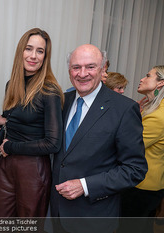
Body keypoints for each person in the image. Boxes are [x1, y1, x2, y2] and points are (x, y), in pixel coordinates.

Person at [50, 44, 147, 233]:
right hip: (57, 213)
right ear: (69, 71)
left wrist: (85, 185)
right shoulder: (62, 101)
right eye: (76, 67)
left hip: (93, 216)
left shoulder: (124, 109)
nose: (82, 73)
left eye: (90, 67)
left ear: (103, 70)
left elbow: (135, 169)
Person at [0, 28, 64, 218]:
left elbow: (53, 143)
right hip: (6, 165)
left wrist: (12, 146)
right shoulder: (12, 84)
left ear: (45, 57)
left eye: (40, 51)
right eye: (29, 49)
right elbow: (12, 125)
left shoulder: (50, 91)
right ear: (20, 51)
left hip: (32, 170)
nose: (33, 56)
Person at [119, 65, 164, 233]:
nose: (142, 79)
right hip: (152, 181)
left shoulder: (158, 116)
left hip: (143, 184)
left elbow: (130, 145)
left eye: (148, 76)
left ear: (161, 83)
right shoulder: (157, 109)